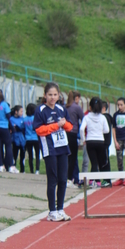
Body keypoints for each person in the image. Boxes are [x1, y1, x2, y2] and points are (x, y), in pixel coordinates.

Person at [33, 82, 73, 221]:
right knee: (53, 179)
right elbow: (39, 130)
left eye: (55, 94)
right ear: (45, 95)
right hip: (49, 148)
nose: (52, 97)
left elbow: (69, 126)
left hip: (62, 147)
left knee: (63, 179)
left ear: (58, 95)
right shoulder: (41, 110)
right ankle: (52, 211)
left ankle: (61, 208)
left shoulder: (62, 109)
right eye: (50, 94)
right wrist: (56, 125)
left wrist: (63, 124)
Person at [79, 97, 110, 186]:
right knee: (100, 162)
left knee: (94, 162)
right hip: (100, 141)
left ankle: (94, 181)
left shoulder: (86, 117)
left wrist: (83, 139)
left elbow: (81, 129)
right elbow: (107, 130)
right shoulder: (103, 117)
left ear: (90, 107)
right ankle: (98, 181)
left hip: (90, 141)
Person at [0, 89, 17, 173]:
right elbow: (8, 117)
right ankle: (11, 166)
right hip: (4, 127)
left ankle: (0, 166)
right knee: (8, 146)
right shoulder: (5, 105)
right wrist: (12, 128)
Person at [65, 91, 84, 186]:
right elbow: (83, 118)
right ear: (76, 98)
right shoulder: (76, 107)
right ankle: (71, 178)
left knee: (66, 157)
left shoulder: (65, 107)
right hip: (73, 132)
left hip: (65, 133)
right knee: (73, 157)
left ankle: (67, 177)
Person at [24, 103, 41, 173]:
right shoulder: (36, 118)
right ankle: (37, 169)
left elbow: (22, 128)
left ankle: (31, 170)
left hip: (27, 138)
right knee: (37, 154)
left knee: (30, 155)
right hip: (36, 138)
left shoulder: (25, 119)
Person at [9, 105, 26, 172]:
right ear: (16, 112)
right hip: (14, 138)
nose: (22, 113)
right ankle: (13, 166)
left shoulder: (23, 119)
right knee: (14, 153)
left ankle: (22, 169)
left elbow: (23, 128)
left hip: (22, 139)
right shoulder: (11, 119)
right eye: (21, 111)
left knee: (22, 155)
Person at [100, 101, 113, 187]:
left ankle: (107, 180)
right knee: (102, 160)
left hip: (105, 142)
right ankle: (104, 178)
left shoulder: (105, 117)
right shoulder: (107, 117)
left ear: (104, 108)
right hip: (103, 141)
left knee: (105, 161)